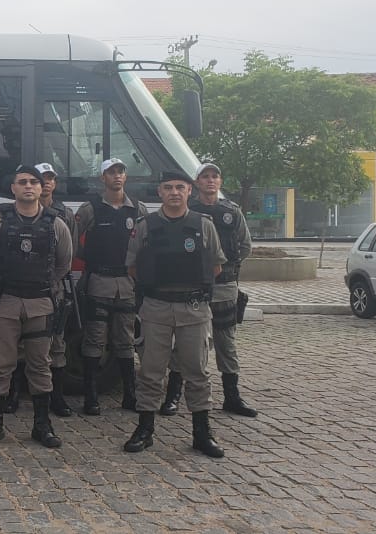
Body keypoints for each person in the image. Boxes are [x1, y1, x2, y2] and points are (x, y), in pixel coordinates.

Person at [123, 170, 226, 458]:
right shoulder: (145, 225)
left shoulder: (204, 225)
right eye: (168, 188)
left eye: (180, 187)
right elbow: (133, 267)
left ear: (189, 191)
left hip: (193, 309)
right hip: (156, 307)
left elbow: (216, 266)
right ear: (160, 192)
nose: (174, 192)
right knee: (150, 371)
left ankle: (202, 433)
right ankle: (145, 429)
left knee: (197, 371)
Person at [0, 165, 72, 448]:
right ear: (13, 188)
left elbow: (63, 264)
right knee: (0, 365)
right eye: (23, 182)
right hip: (4, 303)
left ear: (42, 188)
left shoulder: (56, 224)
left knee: (40, 365)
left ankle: (42, 425)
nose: (28, 186)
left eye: (34, 182)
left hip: (40, 304)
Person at [158, 162, 257, 418]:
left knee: (226, 342)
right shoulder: (188, 211)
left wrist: (227, 266)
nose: (210, 180)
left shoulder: (232, 212)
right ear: (196, 183)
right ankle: (173, 395)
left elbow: (245, 246)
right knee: (185, 342)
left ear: (220, 182)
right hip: (193, 286)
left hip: (224, 286)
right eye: (205, 177)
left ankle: (232, 397)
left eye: (215, 176)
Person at [74, 158, 148, 415]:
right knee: (94, 339)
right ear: (102, 178)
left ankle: (130, 395)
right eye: (111, 172)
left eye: (120, 171)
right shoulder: (90, 209)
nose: (117, 176)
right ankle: (91, 397)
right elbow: (72, 239)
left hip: (127, 283)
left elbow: (147, 243)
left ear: (125, 177)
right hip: (99, 281)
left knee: (125, 340)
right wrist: (89, 258)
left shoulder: (138, 208)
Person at [26, 162, 77, 417]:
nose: (46, 182)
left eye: (50, 178)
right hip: (25, 289)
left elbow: (68, 255)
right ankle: (13, 395)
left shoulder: (65, 214)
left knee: (56, 343)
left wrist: (51, 281)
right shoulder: (20, 211)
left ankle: (57, 397)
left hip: (53, 290)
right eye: (41, 178)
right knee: (21, 344)